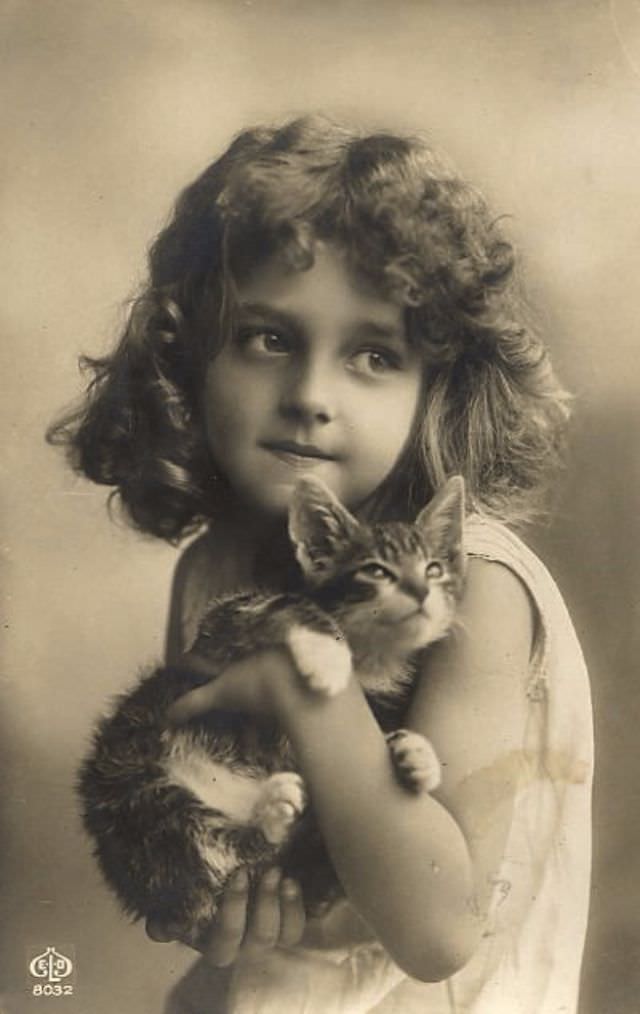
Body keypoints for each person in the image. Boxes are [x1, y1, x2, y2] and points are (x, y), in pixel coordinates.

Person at [49, 116, 593, 1013]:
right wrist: (210, 912)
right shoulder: (215, 566)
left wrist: (299, 681)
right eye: (268, 338)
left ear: (438, 389)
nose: (309, 398)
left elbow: (434, 932)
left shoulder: (479, 586)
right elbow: (233, 838)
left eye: (373, 355)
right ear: (191, 355)